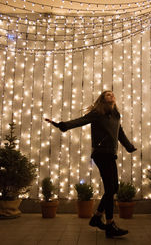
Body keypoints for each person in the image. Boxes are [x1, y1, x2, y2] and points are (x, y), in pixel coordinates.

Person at [45, 90, 137, 238]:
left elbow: (120, 133)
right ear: (102, 99)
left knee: (114, 188)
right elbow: (81, 120)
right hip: (101, 153)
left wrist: (128, 146)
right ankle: (109, 224)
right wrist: (62, 125)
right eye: (107, 94)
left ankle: (96, 217)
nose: (111, 95)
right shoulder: (97, 113)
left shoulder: (116, 115)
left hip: (110, 154)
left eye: (112, 94)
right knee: (109, 188)